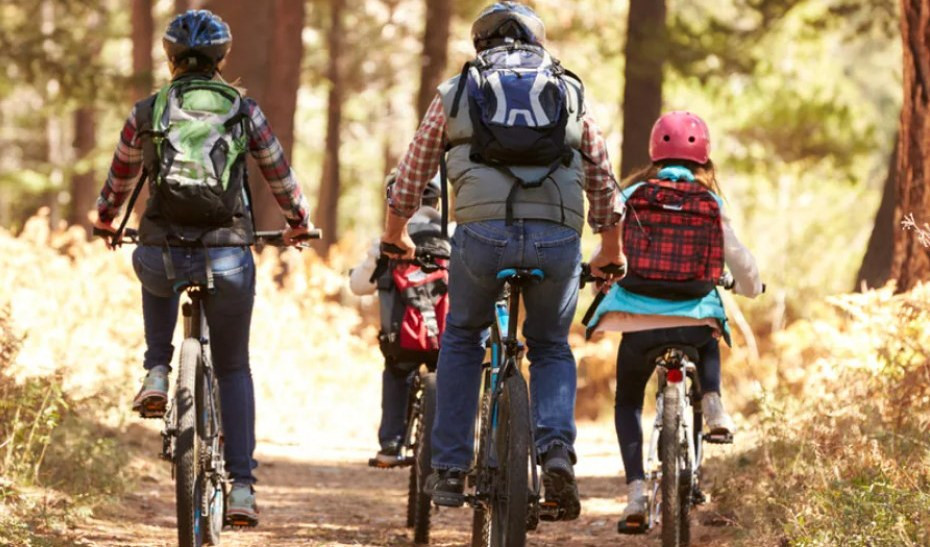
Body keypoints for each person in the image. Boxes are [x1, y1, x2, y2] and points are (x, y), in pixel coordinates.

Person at [380, 1, 626, 521]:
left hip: (481, 236)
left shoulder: (458, 90)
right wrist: (611, 247)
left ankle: (448, 469)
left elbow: (411, 174)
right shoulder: (570, 89)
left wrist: (395, 235)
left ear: (480, 45)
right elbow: (601, 175)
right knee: (552, 345)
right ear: (537, 43)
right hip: (557, 237)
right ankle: (556, 450)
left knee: (464, 336)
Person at [94, 10, 313, 527]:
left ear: (170, 58)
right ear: (222, 59)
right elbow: (279, 175)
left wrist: (106, 220)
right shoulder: (244, 110)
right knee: (234, 367)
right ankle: (240, 488)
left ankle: (156, 368)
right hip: (228, 252)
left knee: (155, 266)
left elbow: (119, 180)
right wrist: (299, 222)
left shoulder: (148, 111)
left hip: (162, 249)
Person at [584, 111, 763, 531]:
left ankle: (633, 495)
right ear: (703, 157)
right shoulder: (710, 201)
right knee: (708, 334)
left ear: (654, 152)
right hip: (692, 316)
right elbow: (740, 261)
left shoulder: (633, 195)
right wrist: (752, 287)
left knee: (628, 402)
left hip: (639, 317)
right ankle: (713, 400)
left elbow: (607, 253)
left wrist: (595, 275)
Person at [349, 173, 449, 467]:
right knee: (456, 377)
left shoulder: (387, 241)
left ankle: (391, 444)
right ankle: (455, 451)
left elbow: (358, 286)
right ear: (438, 201)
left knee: (396, 372)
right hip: (448, 338)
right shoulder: (453, 235)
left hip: (401, 340)